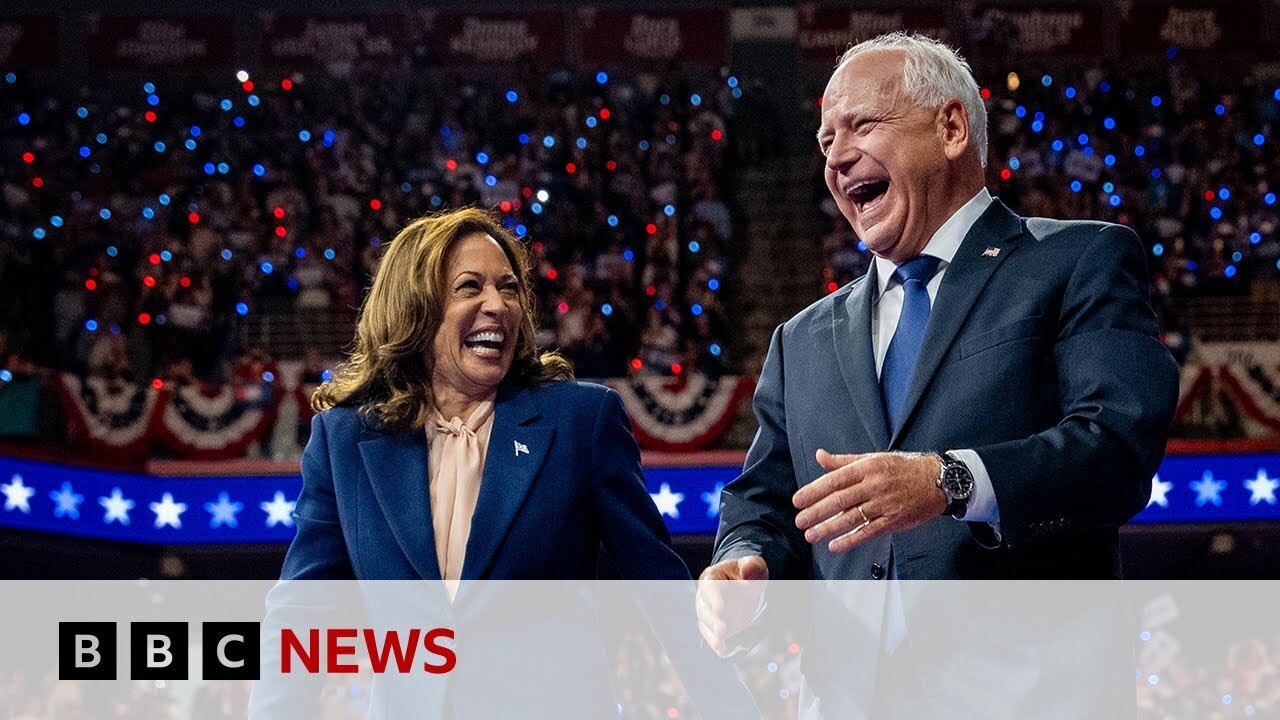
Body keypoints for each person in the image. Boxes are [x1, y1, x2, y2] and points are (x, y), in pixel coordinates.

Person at [696, 32, 1179, 715]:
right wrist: (745, 563)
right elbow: (765, 504)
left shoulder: (1079, 261)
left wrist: (950, 481)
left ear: (950, 127)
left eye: (861, 124)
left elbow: (1115, 450)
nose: (835, 154)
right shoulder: (800, 340)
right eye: (824, 137)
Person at [253, 208, 754, 720]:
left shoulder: (580, 421)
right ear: (414, 309)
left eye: (509, 289)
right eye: (469, 287)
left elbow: (663, 596)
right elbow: (302, 613)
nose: (498, 305)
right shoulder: (345, 438)